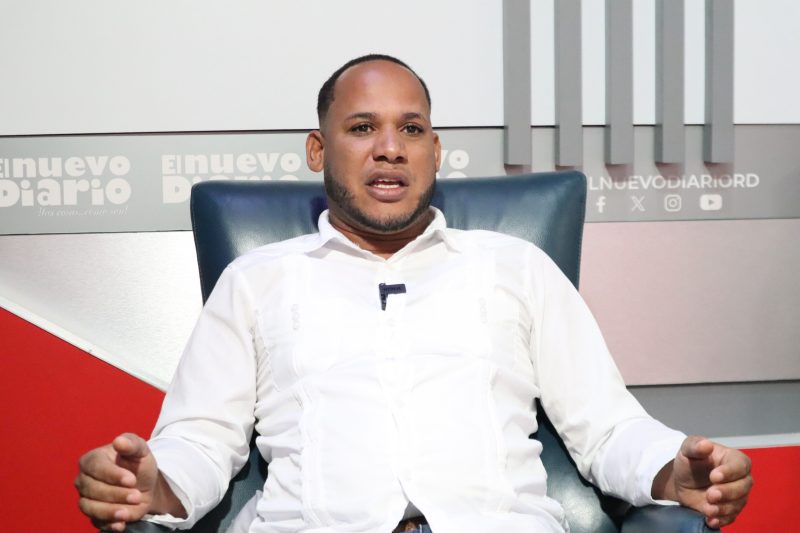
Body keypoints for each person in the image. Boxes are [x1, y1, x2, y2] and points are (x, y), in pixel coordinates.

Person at [75, 54, 752, 533]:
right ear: (318, 150)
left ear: (435, 150)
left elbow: (607, 426)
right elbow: (202, 440)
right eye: (361, 127)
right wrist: (152, 483)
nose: (390, 148)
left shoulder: (516, 268)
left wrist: (673, 471)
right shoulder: (257, 281)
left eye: (411, 128)